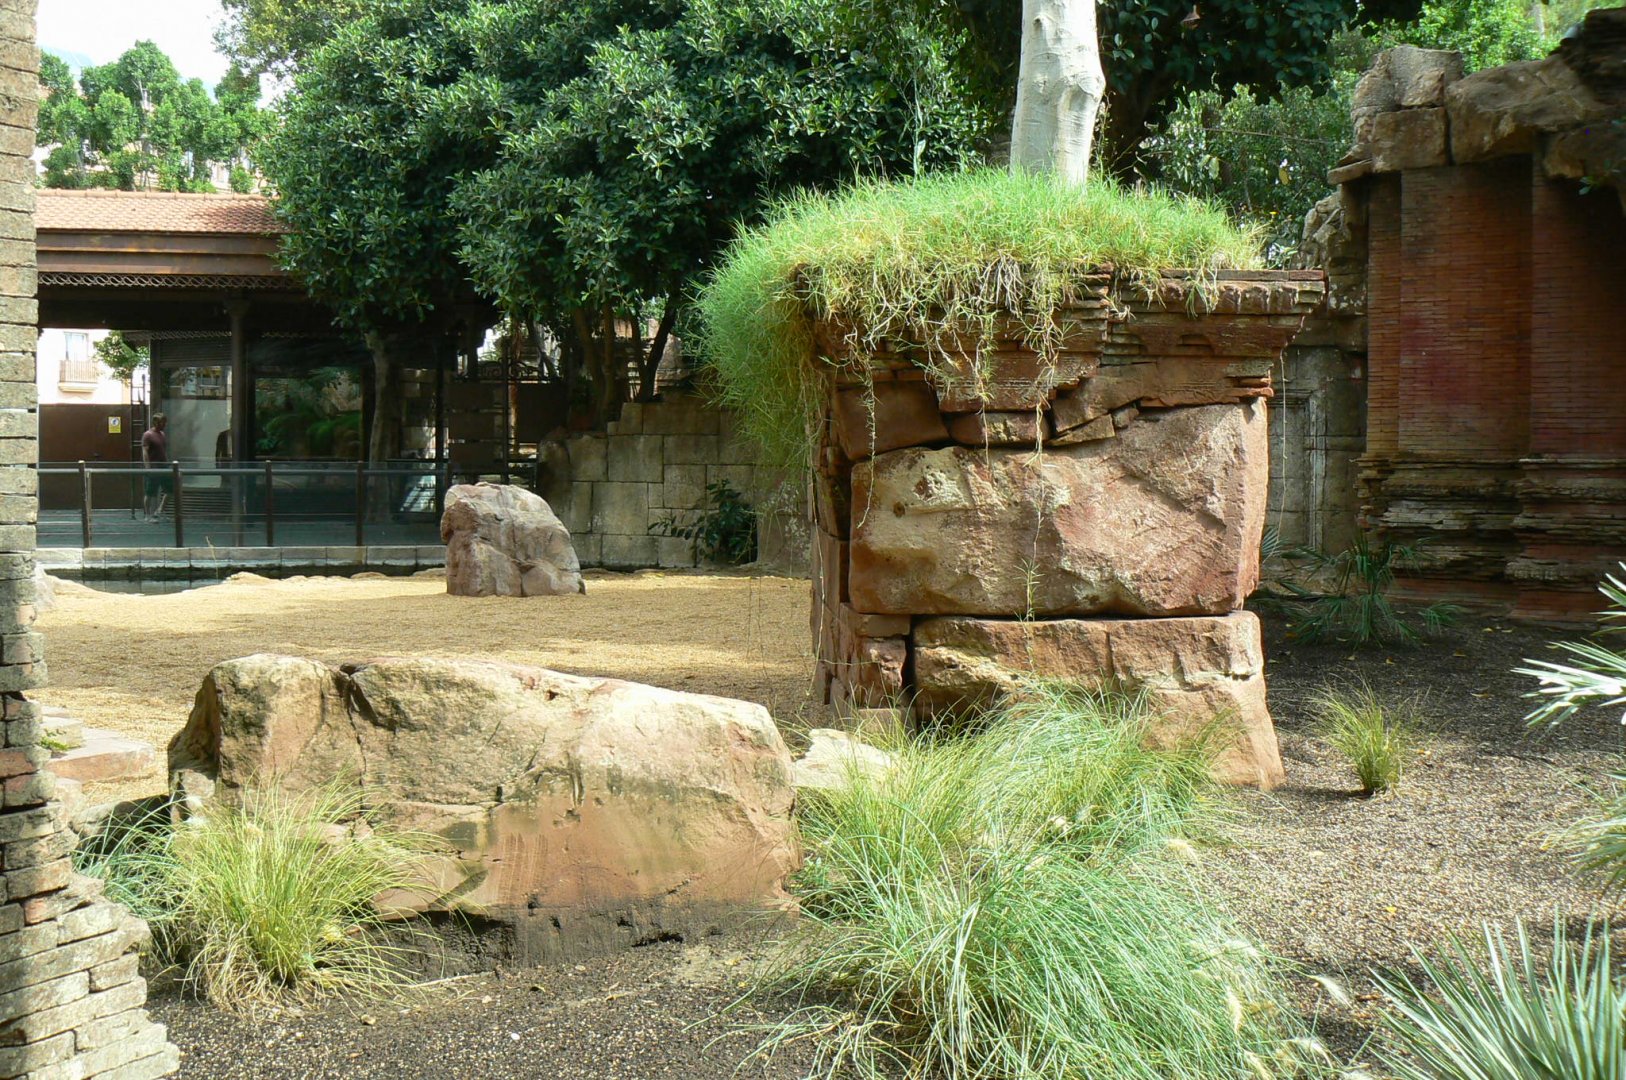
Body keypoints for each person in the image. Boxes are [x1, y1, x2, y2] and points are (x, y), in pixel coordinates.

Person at [141, 413, 170, 523]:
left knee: (170, 490)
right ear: (156, 422)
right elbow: (145, 453)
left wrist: (167, 462)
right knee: (150, 492)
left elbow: (163, 450)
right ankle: (147, 515)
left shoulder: (162, 434)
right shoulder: (147, 435)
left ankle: (159, 512)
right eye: (163, 422)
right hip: (154, 467)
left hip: (164, 467)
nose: (165, 424)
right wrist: (148, 468)